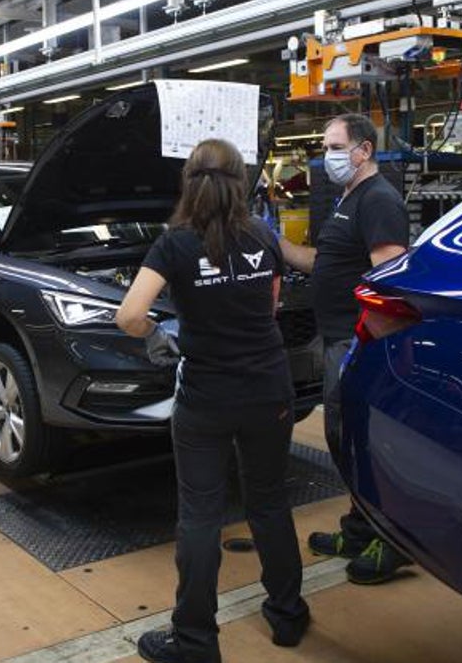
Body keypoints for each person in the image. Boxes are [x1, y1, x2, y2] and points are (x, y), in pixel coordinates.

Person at [117, 139, 309, 663]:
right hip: (269, 389)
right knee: (269, 501)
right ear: (240, 182)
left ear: (189, 182)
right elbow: (270, 304)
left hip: (206, 398)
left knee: (200, 516)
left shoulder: (175, 243)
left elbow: (129, 315)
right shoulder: (262, 233)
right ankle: (288, 614)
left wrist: (158, 332)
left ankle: (196, 641)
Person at [279, 113, 412, 585]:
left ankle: (393, 541)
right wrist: (273, 242)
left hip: (359, 342)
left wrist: (365, 345)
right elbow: (322, 260)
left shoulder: (378, 201)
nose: (327, 157)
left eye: (335, 147)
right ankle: (359, 529)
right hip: (336, 337)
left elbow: (390, 279)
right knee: (346, 438)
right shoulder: (348, 198)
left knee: (367, 443)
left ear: (363, 151)